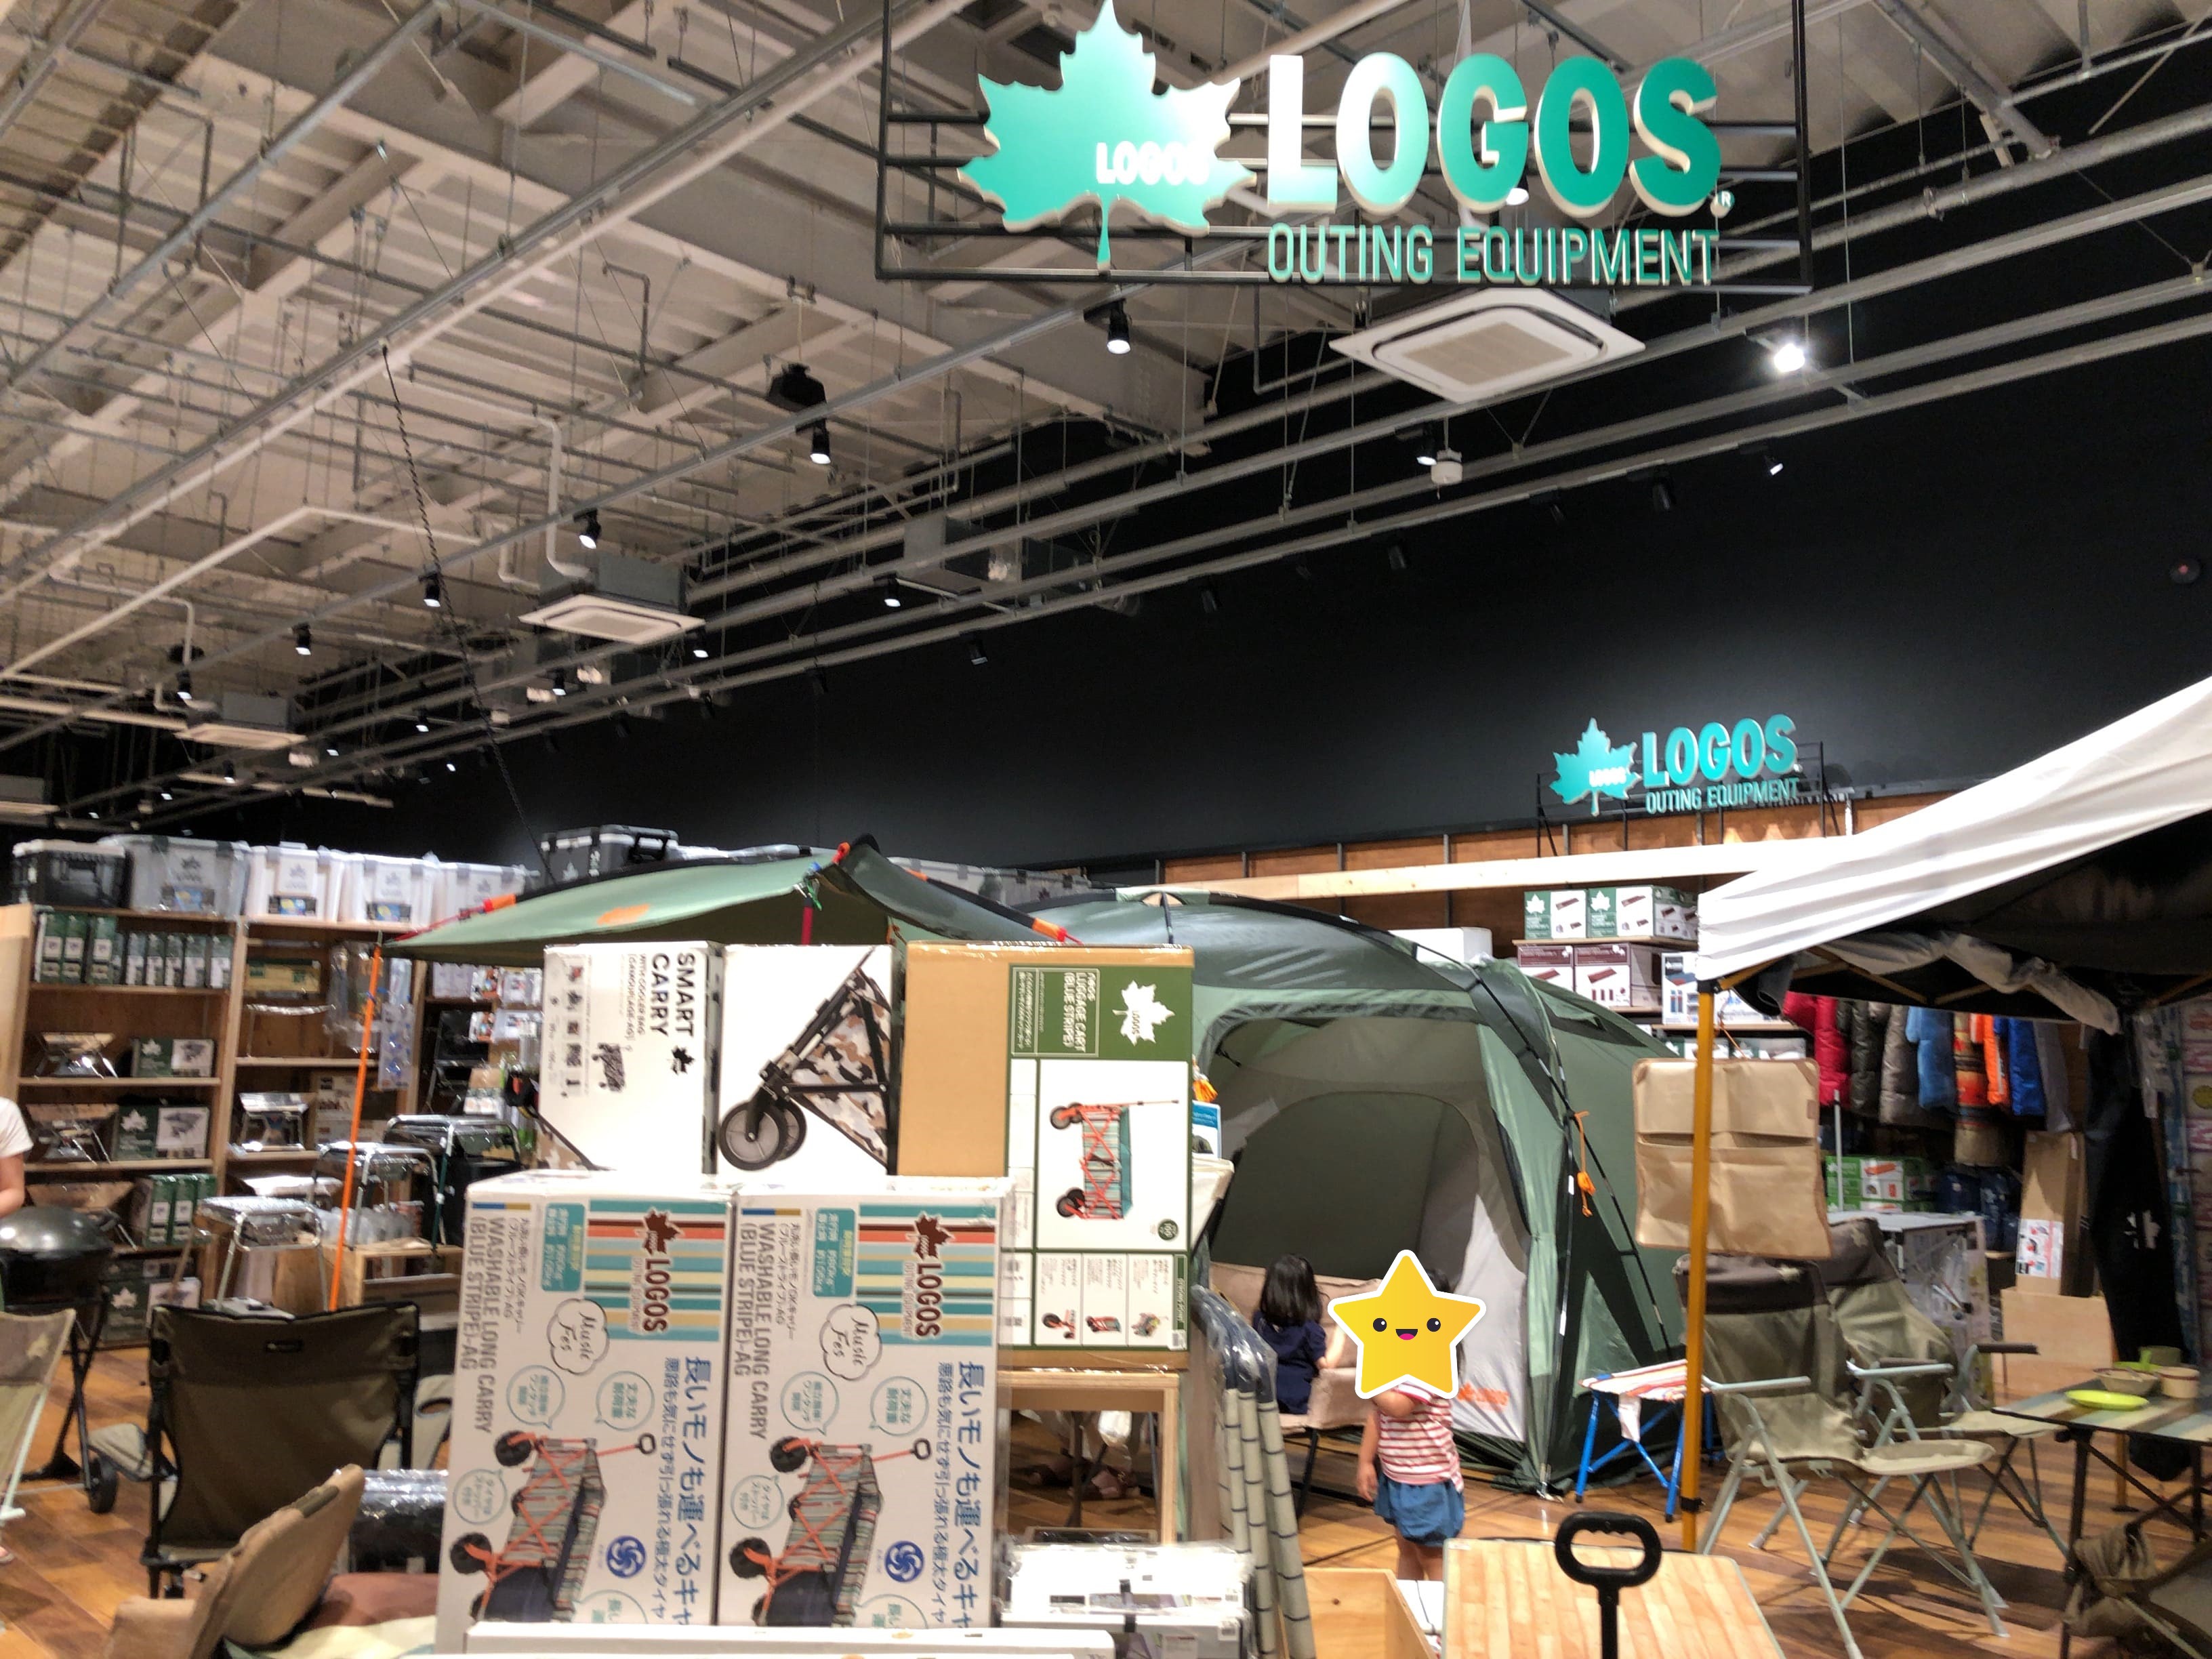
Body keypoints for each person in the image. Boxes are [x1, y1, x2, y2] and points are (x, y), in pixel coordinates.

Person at [1356, 1386, 1462, 1580]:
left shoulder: (1427, 1372)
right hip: (1396, 1478)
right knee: (1406, 1549)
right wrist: (1365, 1460)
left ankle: (1441, 1600)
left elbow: (1399, 1407)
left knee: (1432, 1556)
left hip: (1429, 1484)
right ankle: (1408, 1598)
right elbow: (1378, 1414)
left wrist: (1370, 1385)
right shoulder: (1392, 1377)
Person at [1252, 1254, 1327, 1416]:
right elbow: (1325, 1365)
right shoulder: (1310, 1329)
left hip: (1260, 1389)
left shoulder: (1260, 1319)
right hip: (1294, 1397)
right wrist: (1342, 1333)